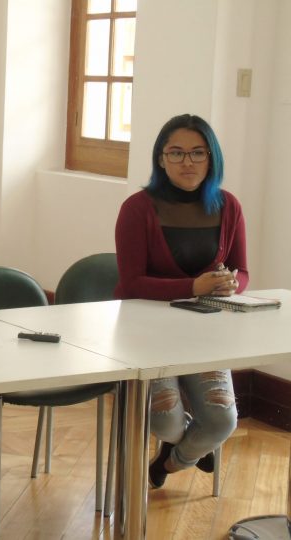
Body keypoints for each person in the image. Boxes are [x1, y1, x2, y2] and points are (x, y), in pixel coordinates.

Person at [114, 113, 247, 489]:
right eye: (176, 153)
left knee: (223, 420)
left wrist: (232, 283)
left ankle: (170, 463)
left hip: (204, 332)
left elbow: (244, 270)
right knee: (164, 421)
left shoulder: (229, 206)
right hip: (144, 333)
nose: (187, 162)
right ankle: (193, 447)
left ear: (211, 158)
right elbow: (131, 283)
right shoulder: (138, 208)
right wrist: (194, 286)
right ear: (161, 159)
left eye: (197, 152)